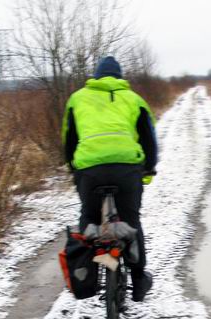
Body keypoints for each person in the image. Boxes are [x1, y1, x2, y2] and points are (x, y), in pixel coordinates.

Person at [62, 55, 158, 301]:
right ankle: (138, 281)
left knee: (89, 216)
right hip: (127, 168)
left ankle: (93, 268)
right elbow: (149, 139)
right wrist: (148, 169)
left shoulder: (77, 98)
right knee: (131, 221)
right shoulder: (134, 99)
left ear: (95, 76)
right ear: (120, 77)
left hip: (89, 168)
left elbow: (69, 138)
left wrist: (75, 169)